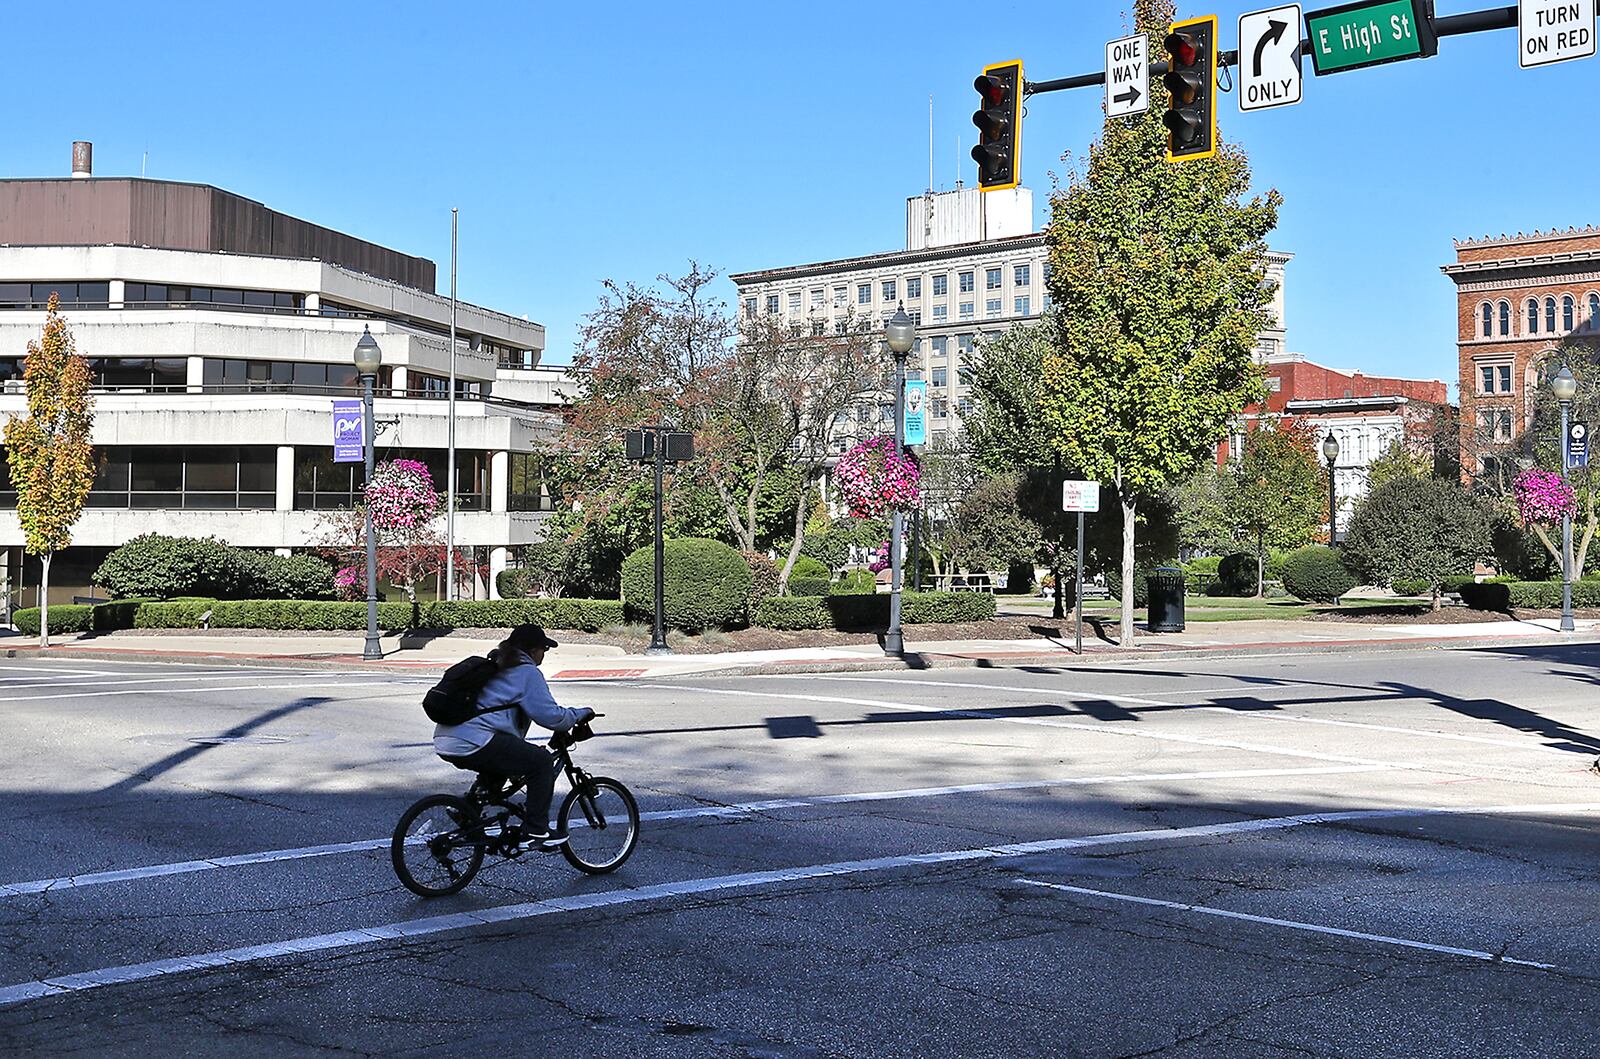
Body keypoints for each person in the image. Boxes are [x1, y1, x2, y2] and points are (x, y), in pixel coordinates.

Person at [433, 623, 593, 848]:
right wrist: (579, 714)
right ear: (533, 650)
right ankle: (535, 831)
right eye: (544, 650)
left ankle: (468, 811)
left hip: (447, 738)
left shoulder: (498, 665)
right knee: (541, 762)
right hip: (473, 740)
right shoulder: (527, 672)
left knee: (506, 757)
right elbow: (550, 716)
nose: (544, 655)